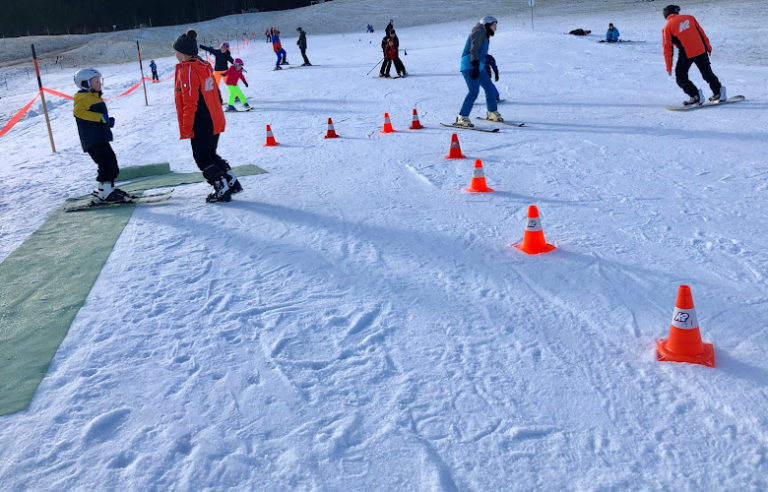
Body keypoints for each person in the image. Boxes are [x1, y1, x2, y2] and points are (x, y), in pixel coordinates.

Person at [173, 29, 242, 203]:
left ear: (182, 53)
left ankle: (221, 188)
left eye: (176, 51)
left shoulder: (188, 70)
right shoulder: (203, 65)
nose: (174, 54)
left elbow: (190, 102)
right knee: (210, 154)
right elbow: (216, 93)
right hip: (214, 118)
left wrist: (186, 127)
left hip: (202, 121)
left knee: (202, 157)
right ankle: (230, 181)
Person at [73, 68, 133, 205]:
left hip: (100, 137)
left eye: (100, 81)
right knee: (106, 164)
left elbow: (98, 117)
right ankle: (105, 193)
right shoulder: (82, 98)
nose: (99, 84)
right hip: (93, 140)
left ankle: (108, 189)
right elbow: (79, 113)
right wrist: (101, 118)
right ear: (85, 84)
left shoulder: (93, 97)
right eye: (96, 82)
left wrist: (107, 121)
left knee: (111, 163)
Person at [662, 4, 725, 106]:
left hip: (686, 53)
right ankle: (719, 92)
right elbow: (701, 33)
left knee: (681, 78)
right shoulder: (690, 18)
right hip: (701, 50)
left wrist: (668, 67)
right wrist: (708, 47)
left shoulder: (667, 28)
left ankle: (696, 96)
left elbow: (668, 50)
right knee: (707, 73)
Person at [455, 17, 503, 127]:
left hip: (478, 65)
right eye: (494, 25)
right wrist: (475, 65)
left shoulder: (484, 34)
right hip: (469, 65)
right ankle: (462, 117)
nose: (496, 28)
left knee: (489, 87)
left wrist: (479, 65)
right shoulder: (479, 32)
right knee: (474, 91)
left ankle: (492, 112)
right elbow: (474, 49)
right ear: (487, 24)